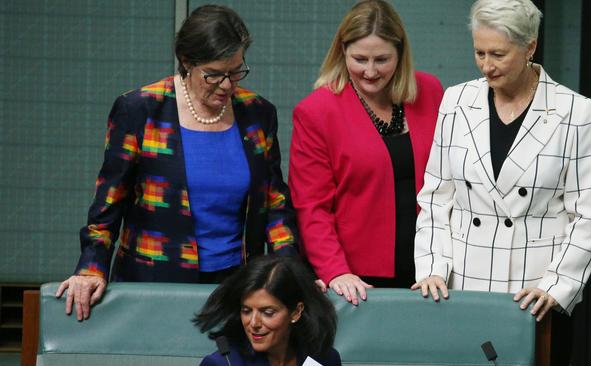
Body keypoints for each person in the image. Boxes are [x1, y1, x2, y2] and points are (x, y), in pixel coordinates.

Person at [55, 4, 298, 321]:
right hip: (153, 281)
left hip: (237, 284)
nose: (227, 85)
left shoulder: (257, 112)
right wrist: (91, 266)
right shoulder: (141, 109)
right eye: (213, 74)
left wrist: (290, 271)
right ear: (187, 63)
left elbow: (274, 202)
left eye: (236, 71)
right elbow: (109, 201)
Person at [411, 0, 591, 364]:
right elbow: (436, 196)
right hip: (463, 286)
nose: (486, 65)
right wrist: (433, 266)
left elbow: (586, 212)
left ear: (530, 47)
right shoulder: (455, 101)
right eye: (479, 52)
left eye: (498, 54)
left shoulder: (574, 111)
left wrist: (556, 285)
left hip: (534, 293)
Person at [289, 0, 444, 305]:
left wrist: (441, 263)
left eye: (382, 59)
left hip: (428, 271)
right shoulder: (317, 111)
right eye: (359, 59)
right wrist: (336, 272)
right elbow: (312, 207)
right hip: (355, 281)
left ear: (400, 54)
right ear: (341, 52)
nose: (370, 71)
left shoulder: (430, 91)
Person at [194, 255, 340, 366]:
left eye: (267, 312)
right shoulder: (223, 363)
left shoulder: (324, 359)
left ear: (296, 312)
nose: (254, 323)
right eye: (246, 311)